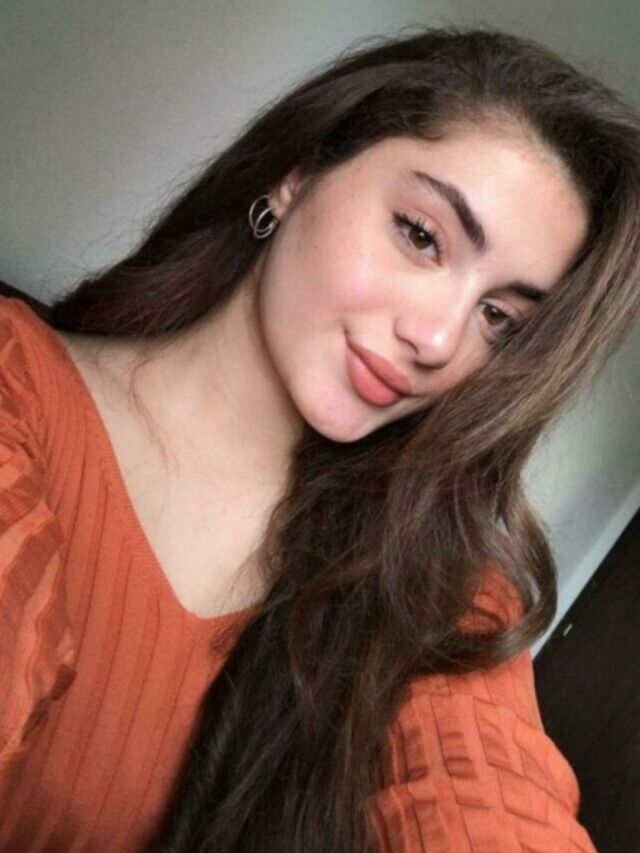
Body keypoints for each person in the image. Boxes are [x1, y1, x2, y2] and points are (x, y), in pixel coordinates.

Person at [0, 23, 638, 852]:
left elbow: (484, 797)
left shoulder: (436, 586)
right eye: (421, 235)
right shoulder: (16, 391)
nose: (439, 340)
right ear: (298, 174)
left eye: (499, 318)